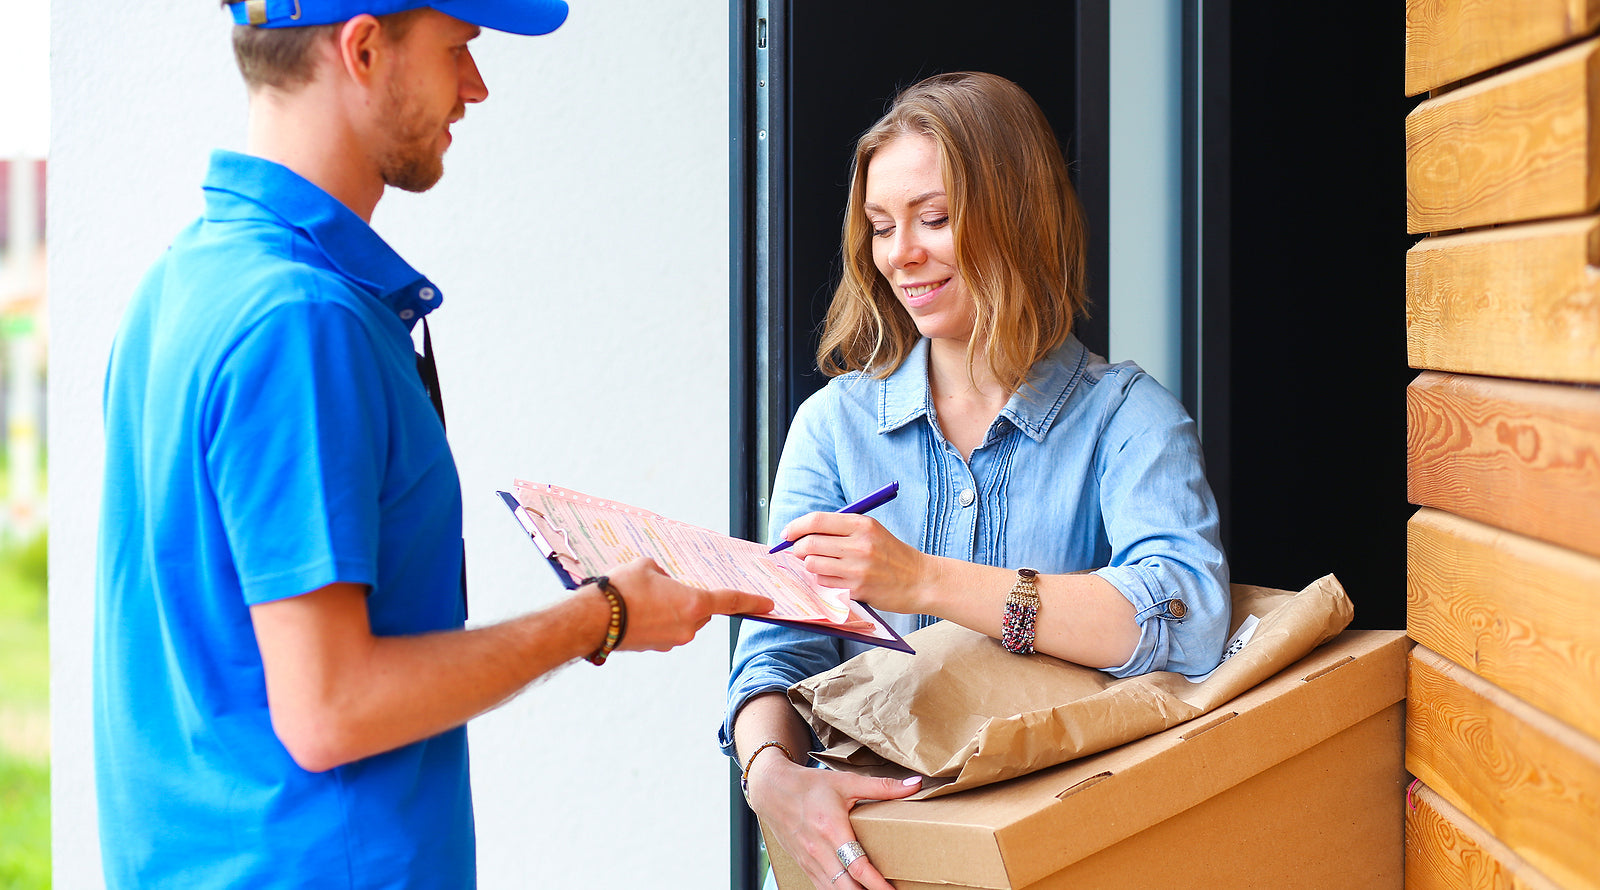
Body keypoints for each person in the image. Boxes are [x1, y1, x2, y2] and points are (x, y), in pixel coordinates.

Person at [93, 2, 772, 887]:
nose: (475, 86)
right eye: (458, 50)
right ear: (365, 48)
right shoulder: (300, 323)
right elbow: (330, 709)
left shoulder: (179, 286)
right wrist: (600, 616)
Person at [721, 72, 1230, 890]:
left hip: (1062, 858)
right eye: (883, 227)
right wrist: (771, 777)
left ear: (1016, 215)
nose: (901, 255)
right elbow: (778, 648)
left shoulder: (1127, 419)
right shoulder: (832, 427)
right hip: (870, 861)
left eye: (934, 219)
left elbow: (1186, 615)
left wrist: (923, 580)